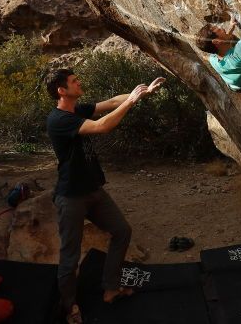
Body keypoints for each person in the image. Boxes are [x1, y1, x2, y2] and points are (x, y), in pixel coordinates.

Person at [44, 69, 165, 324]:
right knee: (70, 256)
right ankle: (69, 306)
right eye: (74, 81)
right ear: (61, 91)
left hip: (93, 190)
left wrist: (140, 94)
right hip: (71, 197)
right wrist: (131, 101)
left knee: (122, 231)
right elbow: (102, 125)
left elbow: (110, 103)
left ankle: (111, 288)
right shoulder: (58, 120)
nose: (79, 82)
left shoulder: (77, 109)